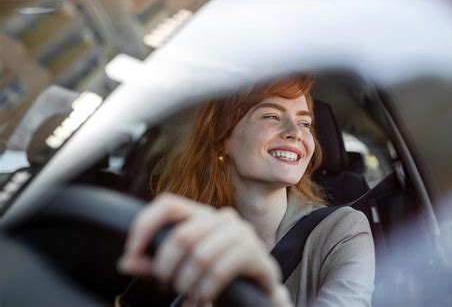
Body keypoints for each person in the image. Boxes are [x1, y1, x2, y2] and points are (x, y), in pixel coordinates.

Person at [118, 75, 375, 306]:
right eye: (272, 116)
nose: (296, 133)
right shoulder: (183, 237)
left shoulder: (344, 230)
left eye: (305, 123)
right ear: (223, 140)